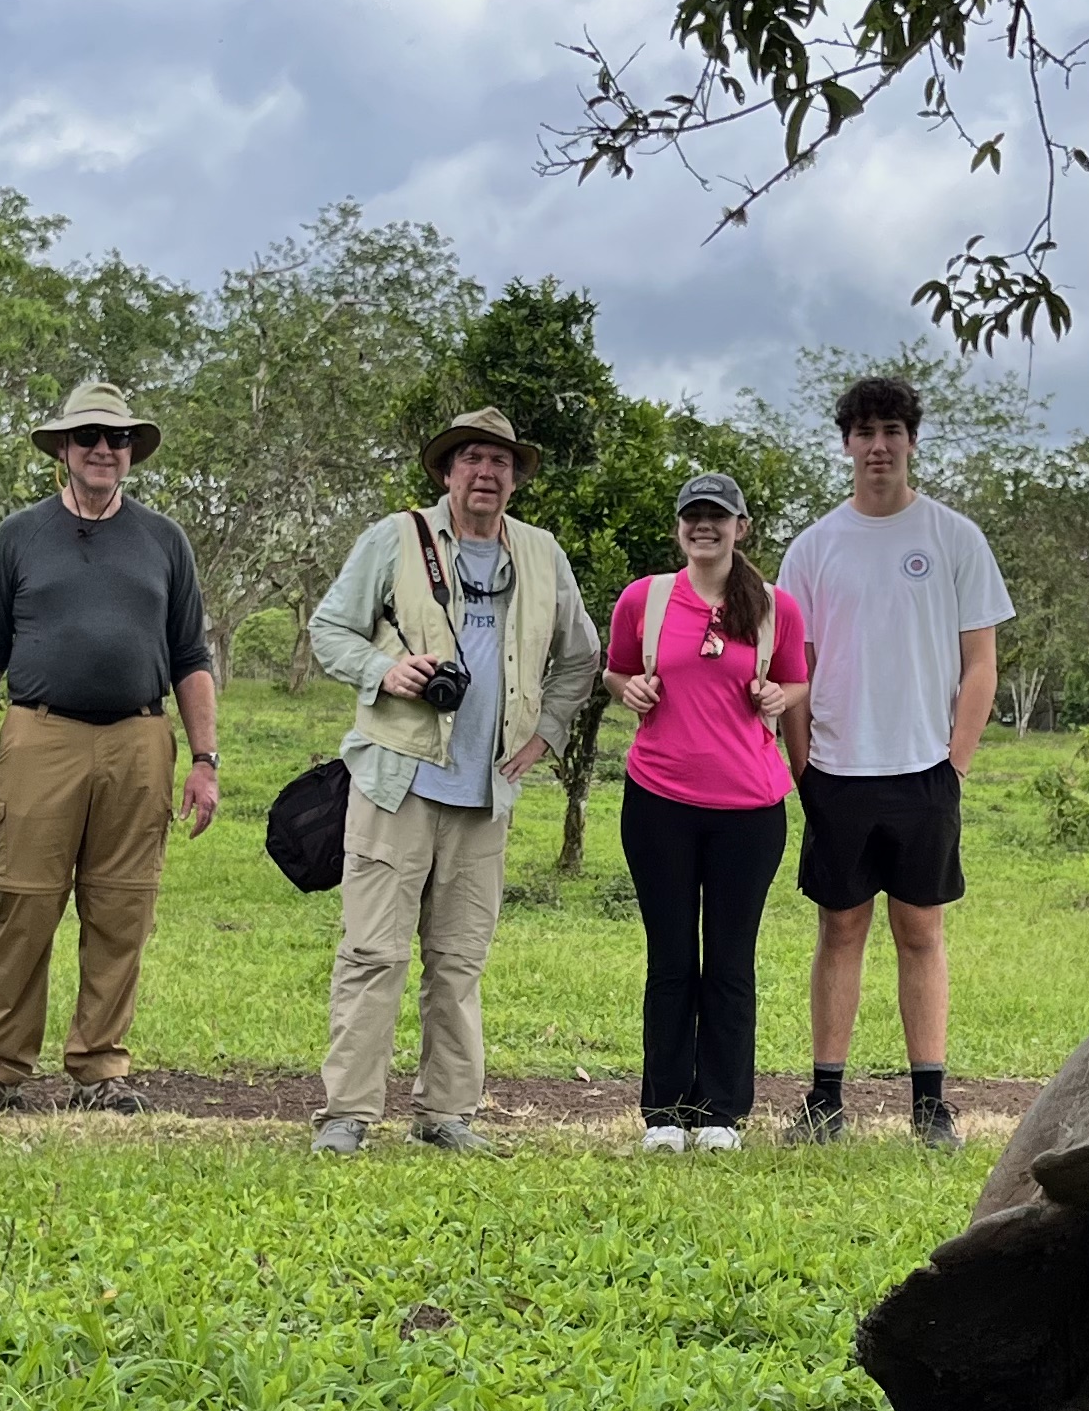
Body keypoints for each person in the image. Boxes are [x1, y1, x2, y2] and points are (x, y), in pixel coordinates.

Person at [304, 405, 602, 1154]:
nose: (487, 473)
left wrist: (547, 735)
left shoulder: (540, 554)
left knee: (459, 961)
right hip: (397, 781)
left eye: (501, 462)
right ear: (447, 471)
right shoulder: (394, 538)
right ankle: (347, 1115)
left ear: (514, 478)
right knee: (374, 953)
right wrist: (385, 669)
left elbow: (580, 655)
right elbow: (328, 630)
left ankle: (446, 1114)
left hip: (487, 792)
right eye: (472, 458)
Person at [0, 379, 220, 1114]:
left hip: (139, 737)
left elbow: (191, 656)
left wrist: (205, 760)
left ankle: (99, 1067)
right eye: (89, 436)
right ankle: (0, 1068)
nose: (104, 449)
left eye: (117, 438)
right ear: (62, 448)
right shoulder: (19, 535)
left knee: (122, 906)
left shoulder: (164, 541)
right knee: (25, 900)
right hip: (41, 732)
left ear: (131, 452)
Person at [774, 372, 1012, 1149]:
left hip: (924, 772)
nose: (879, 446)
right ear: (846, 443)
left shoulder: (953, 538)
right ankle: (825, 1100)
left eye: (892, 431)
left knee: (921, 931)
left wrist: (956, 763)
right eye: (865, 432)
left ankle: (930, 1105)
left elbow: (981, 662)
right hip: (837, 770)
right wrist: (804, 767)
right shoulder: (812, 548)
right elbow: (794, 667)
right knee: (839, 930)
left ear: (912, 440)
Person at [603, 472, 810, 1151]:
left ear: (741, 528)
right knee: (669, 961)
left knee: (728, 961)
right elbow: (618, 671)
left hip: (749, 810)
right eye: (693, 516)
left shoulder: (775, 605)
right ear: (678, 529)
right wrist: (627, 688)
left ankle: (720, 1111)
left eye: (718, 517)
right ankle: (663, 1112)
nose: (705, 527)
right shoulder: (647, 599)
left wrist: (780, 698)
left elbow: (795, 680)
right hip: (658, 800)